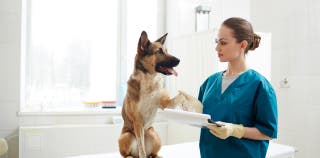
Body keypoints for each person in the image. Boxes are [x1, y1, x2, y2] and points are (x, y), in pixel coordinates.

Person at [198, 17, 278, 158]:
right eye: (217, 42)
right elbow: (201, 118)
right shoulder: (209, 82)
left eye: (223, 43)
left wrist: (236, 130)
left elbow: (268, 132)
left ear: (242, 45)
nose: (217, 48)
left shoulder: (259, 85)